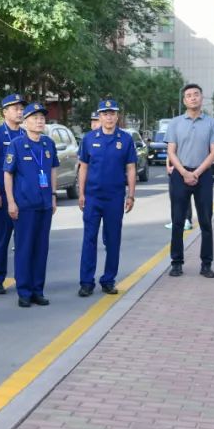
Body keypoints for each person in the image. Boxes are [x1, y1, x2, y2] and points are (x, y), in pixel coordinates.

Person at [77, 98, 137, 297]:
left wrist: (131, 195)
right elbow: (83, 167)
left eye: (112, 113)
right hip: (93, 197)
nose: (109, 117)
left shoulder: (126, 139)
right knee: (89, 239)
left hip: (115, 197)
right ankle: (86, 282)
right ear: (99, 116)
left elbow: (130, 168)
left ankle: (108, 280)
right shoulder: (89, 138)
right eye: (105, 113)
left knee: (113, 240)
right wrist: (81, 193)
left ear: (117, 116)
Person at [165, 83, 214, 279]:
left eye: (196, 94)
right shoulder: (175, 123)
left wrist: (196, 173)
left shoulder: (212, 123)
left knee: (206, 221)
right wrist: (183, 172)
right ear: (184, 101)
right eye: (189, 95)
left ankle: (206, 264)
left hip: (203, 174)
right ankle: (176, 263)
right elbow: (171, 151)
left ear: (201, 98)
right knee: (178, 221)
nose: (193, 98)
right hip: (180, 175)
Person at [4, 102, 58, 307]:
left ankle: (38, 290)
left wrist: (53, 195)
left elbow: (53, 170)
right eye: (35, 118)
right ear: (25, 122)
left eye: (42, 118)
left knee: (41, 249)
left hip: (44, 204)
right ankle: (24, 291)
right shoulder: (16, 144)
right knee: (24, 248)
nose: (40, 121)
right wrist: (11, 201)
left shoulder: (48, 144)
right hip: (24, 205)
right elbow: (7, 174)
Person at [0, 93, 26, 295]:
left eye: (21, 108)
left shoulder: (26, 134)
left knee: (23, 240)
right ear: (5, 112)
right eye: (15, 108)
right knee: (0, 237)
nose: (19, 112)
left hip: (23, 196)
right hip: (2, 194)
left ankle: (23, 278)